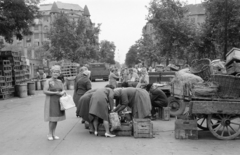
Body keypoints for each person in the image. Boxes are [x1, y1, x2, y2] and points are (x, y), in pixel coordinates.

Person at [43, 65, 66, 141]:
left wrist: (63, 92)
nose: (55, 74)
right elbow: (45, 91)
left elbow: (63, 90)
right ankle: (49, 133)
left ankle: (54, 133)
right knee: (52, 118)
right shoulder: (48, 81)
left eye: (57, 72)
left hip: (59, 101)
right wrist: (56, 93)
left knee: (56, 119)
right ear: (51, 73)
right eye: (54, 72)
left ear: (59, 73)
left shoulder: (60, 81)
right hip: (51, 101)